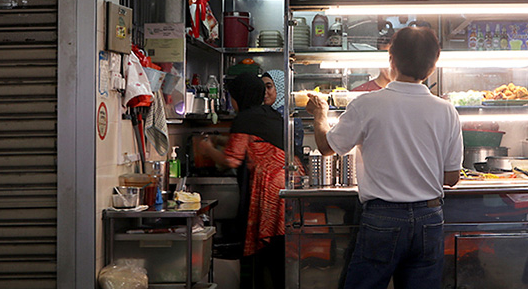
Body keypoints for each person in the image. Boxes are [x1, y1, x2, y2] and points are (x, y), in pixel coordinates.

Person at [306, 26, 463, 289]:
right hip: (429, 217)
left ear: (391, 59)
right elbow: (451, 178)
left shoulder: (367, 104)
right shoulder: (447, 111)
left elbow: (327, 147)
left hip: (383, 218)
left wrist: (320, 114)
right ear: (434, 66)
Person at [197, 73, 303, 289]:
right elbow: (253, 141)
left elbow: (231, 160)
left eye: (232, 97)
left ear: (241, 97)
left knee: (270, 252)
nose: (232, 102)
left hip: (271, 189)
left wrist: (207, 149)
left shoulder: (245, 119)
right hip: (290, 186)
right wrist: (219, 140)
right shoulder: (269, 115)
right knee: (280, 249)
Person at [262, 69, 305, 159]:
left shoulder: (286, 114)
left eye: (269, 87)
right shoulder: (269, 111)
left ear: (280, 87)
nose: (264, 92)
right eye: (262, 87)